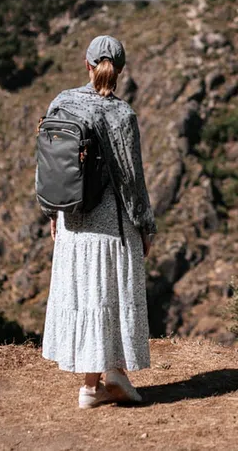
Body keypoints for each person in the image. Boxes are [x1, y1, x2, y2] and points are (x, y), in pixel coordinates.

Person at [40, 35, 157, 409]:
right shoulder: (122, 115)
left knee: (88, 296)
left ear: (86, 64)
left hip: (72, 217)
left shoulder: (62, 101)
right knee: (108, 294)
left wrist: (52, 212)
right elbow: (131, 178)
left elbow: (47, 163)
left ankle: (113, 375)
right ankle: (92, 387)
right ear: (120, 71)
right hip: (111, 224)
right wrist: (144, 224)